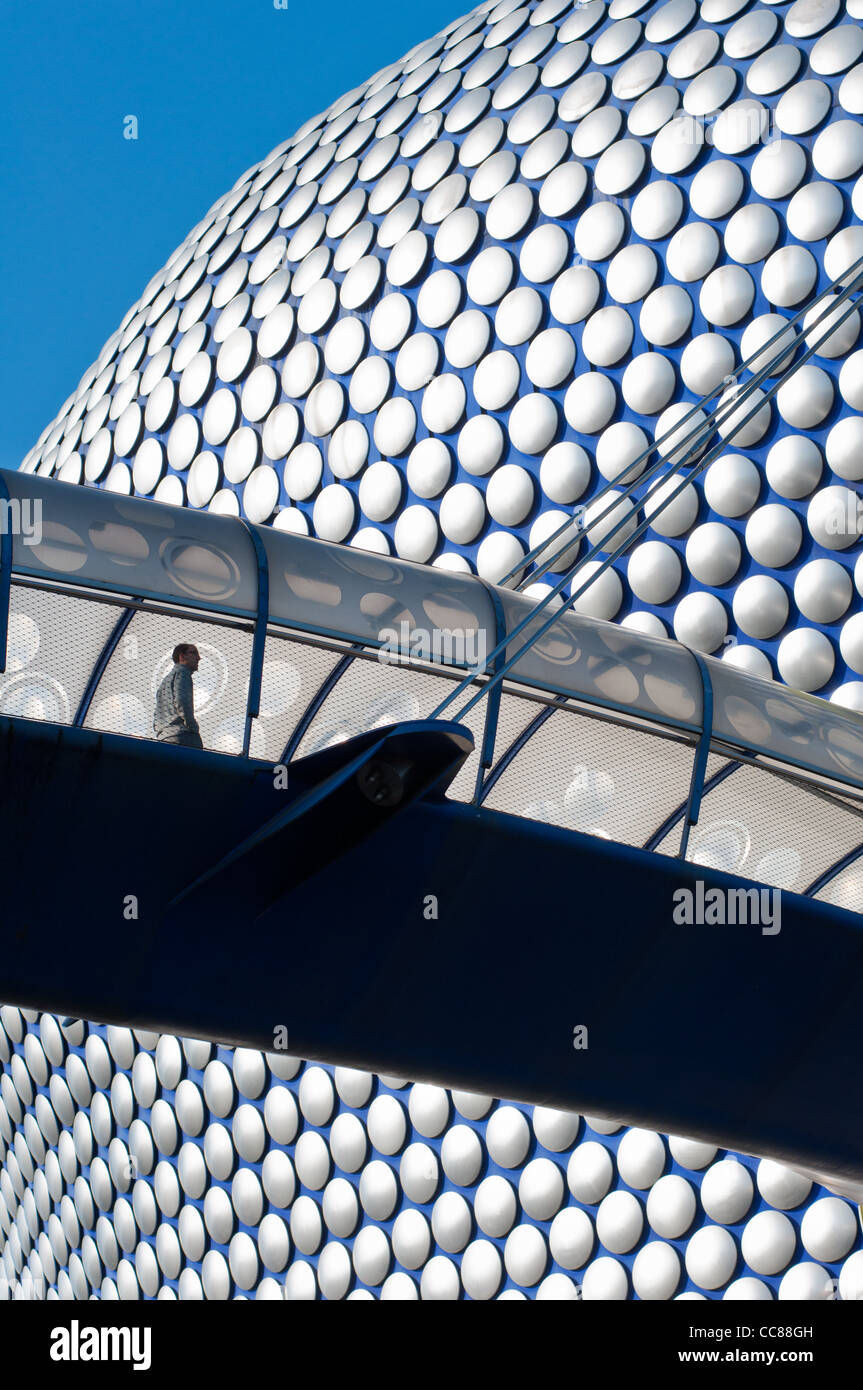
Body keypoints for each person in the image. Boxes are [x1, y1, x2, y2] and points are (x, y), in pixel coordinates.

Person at [153, 644, 203, 748]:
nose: (198, 658)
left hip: (164, 737)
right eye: (194, 653)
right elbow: (182, 702)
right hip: (182, 735)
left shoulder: (165, 682)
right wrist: (193, 728)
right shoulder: (183, 672)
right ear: (182, 656)